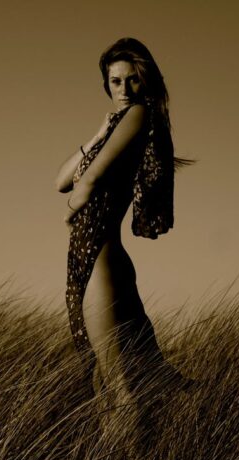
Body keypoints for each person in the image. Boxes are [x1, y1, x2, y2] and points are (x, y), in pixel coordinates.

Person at [55, 37, 195, 427]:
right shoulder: (118, 125)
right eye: (115, 81)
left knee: (118, 386)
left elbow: (85, 183)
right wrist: (98, 134)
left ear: (145, 80)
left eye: (132, 79)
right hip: (91, 258)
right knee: (112, 380)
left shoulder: (138, 114)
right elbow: (61, 180)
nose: (124, 89)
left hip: (101, 258)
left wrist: (73, 210)